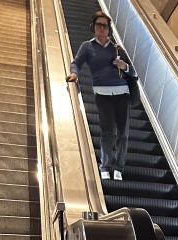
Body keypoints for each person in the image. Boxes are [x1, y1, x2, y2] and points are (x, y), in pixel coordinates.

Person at [66, 11, 136, 181]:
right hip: (102, 93)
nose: (102, 28)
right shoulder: (87, 46)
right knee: (107, 131)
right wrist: (74, 74)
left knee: (123, 133)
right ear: (93, 26)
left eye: (105, 26)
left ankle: (119, 167)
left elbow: (133, 72)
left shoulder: (117, 48)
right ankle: (105, 166)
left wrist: (124, 65)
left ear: (109, 29)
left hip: (122, 93)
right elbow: (76, 63)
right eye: (99, 25)